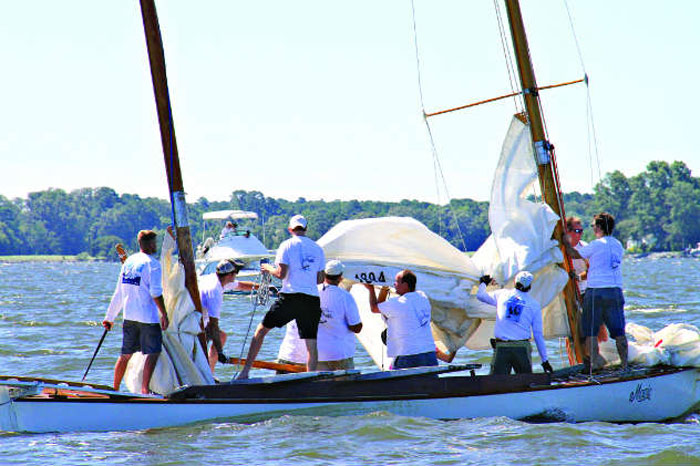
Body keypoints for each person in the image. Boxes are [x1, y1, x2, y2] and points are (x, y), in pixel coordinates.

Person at [236, 214, 325, 379]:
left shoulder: (286, 245)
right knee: (311, 343)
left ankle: (245, 371)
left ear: (290, 229)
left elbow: (281, 274)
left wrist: (267, 267)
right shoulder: (318, 248)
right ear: (306, 229)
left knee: (261, 331)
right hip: (311, 299)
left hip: (290, 297)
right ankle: (312, 378)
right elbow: (320, 279)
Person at [103, 230, 169, 394]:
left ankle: (115, 389)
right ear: (151, 244)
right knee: (153, 352)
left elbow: (119, 292)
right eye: (155, 243)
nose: (156, 245)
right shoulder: (152, 264)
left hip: (129, 317)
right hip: (148, 317)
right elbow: (156, 293)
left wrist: (109, 318)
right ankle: (145, 390)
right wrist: (165, 315)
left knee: (125, 354)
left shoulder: (128, 262)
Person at [563, 212, 628, 372]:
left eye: (592, 226)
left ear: (599, 227)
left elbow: (573, 254)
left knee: (590, 331)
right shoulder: (618, 245)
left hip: (596, 292)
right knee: (619, 332)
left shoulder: (596, 244)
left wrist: (563, 240)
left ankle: (592, 367)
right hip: (615, 291)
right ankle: (625, 366)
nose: (592, 229)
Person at [476, 271, 553, 375]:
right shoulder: (534, 305)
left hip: (502, 346)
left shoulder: (502, 294)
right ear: (530, 286)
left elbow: (480, 295)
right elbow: (538, 335)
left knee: (496, 384)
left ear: (514, 282)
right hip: (522, 348)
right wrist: (545, 361)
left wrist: (483, 283)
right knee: (526, 383)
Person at [365, 270, 438, 369]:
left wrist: (371, 289)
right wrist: (384, 289)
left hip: (408, 355)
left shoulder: (399, 303)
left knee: (401, 384)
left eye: (397, 282)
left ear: (406, 285)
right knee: (430, 384)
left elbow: (375, 308)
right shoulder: (423, 297)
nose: (394, 284)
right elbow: (383, 307)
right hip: (429, 354)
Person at [199, 259, 258, 375]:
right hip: (195, 324)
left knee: (221, 336)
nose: (236, 275)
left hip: (199, 320)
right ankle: (206, 375)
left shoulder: (216, 278)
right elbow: (213, 325)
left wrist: (262, 287)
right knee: (215, 338)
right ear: (230, 275)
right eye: (236, 273)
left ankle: (209, 373)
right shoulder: (214, 291)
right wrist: (220, 353)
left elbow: (240, 285)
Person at [316, 260, 363, 370]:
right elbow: (356, 327)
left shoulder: (312, 291)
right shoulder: (345, 296)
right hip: (341, 353)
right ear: (341, 277)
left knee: (321, 386)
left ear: (324, 274)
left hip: (317, 353)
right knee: (345, 386)